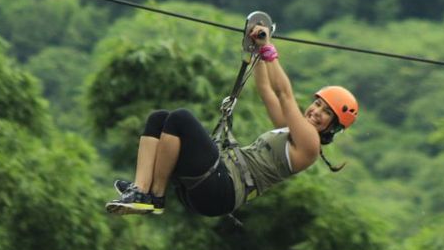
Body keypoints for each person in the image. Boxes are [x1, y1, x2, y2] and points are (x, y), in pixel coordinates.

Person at [106, 24, 358, 217]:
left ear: (332, 126)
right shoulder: (290, 130)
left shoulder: (310, 144)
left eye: (325, 112)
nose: (316, 111)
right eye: (317, 104)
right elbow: (267, 91)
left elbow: (285, 95)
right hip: (214, 186)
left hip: (223, 187)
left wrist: (271, 53)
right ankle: (141, 189)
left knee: (180, 118)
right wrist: (258, 52)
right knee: (159, 120)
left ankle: (156, 196)